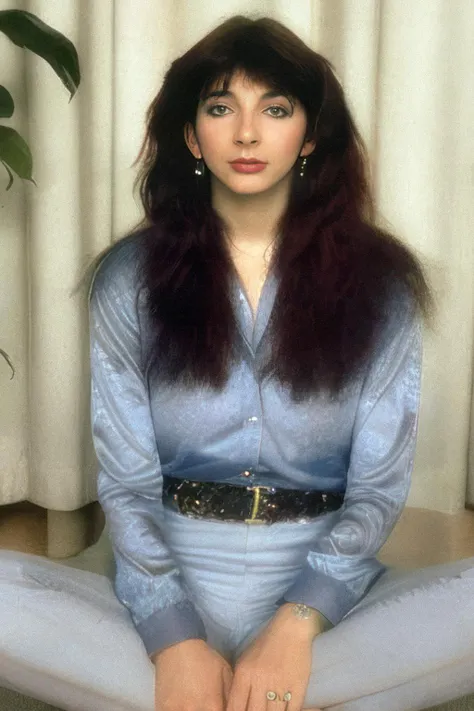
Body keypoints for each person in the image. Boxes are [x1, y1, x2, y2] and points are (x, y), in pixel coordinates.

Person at [85, 13, 474, 711]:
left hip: (325, 592)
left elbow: (379, 488)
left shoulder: (383, 285)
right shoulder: (128, 279)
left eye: (276, 108)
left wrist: (295, 625)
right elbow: (127, 482)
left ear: (311, 134)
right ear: (189, 134)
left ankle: (258, 682)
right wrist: (174, 637)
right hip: (170, 568)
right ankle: (251, 689)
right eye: (218, 106)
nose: (245, 132)